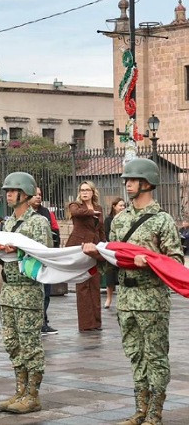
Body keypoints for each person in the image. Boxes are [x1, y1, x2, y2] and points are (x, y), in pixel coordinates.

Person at [83, 158, 182, 425]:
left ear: (147, 183)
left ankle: (155, 413)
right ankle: (140, 409)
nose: (126, 184)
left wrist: (149, 261)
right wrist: (98, 255)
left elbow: (176, 263)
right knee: (135, 354)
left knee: (155, 357)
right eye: (126, 180)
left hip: (151, 299)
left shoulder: (163, 220)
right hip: (126, 299)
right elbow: (114, 257)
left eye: (132, 180)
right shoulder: (119, 219)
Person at [0, 172, 52, 414]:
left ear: (25, 194)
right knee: (12, 343)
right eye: (7, 191)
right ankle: (20, 390)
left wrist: (19, 248)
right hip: (9, 290)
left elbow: (45, 255)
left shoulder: (38, 222)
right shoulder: (8, 223)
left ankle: (32, 395)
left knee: (30, 344)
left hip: (27, 290)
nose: (8, 195)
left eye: (12, 191)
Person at [67, 181, 105, 332]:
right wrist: (91, 213)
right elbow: (76, 214)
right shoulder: (75, 205)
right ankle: (85, 324)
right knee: (83, 285)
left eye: (87, 190)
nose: (84, 193)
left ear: (92, 192)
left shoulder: (99, 208)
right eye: (82, 190)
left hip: (95, 247)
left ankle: (96, 322)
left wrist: (104, 246)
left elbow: (101, 229)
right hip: (80, 247)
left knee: (95, 283)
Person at [30, 186, 59, 336]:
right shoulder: (24, 215)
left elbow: (55, 231)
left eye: (40, 194)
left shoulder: (46, 212)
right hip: (31, 261)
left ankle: (43, 321)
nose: (38, 197)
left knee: (46, 292)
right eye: (35, 195)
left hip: (46, 258)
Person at [104, 197, 125, 309]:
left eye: (123, 205)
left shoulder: (127, 219)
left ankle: (122, 299)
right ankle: (109, 298)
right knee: (110, 276)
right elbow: (107, 235)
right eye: (120, 205)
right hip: (111, 251)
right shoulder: (108, 220)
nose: (122, 207)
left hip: (124, 251)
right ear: (114, 206)